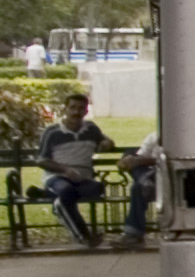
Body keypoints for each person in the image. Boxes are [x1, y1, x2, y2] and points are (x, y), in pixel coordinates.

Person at [35, 92, 111, 249]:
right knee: (66, 191)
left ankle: (50, 194)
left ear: (86, 111)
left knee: (98, 188)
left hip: (83, 179)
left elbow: (106, 140)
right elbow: (41, 160)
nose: (76, 112)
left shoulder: (91, 129)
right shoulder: (52, 132)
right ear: (66, 109)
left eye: (80, 108)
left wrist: (106, 143)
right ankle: (84, 236)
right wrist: (65, 170)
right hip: (58, 176)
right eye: (72, 108)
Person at [119, 131, 160, 248]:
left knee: (139, 184)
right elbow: (142, 156)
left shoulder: (184, 137)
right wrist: (132, 160)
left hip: (177, 179)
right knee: (138, 186)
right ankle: (133, 234)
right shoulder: (154, 137)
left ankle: (144, 180)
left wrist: (140, 161)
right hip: (154, 179)